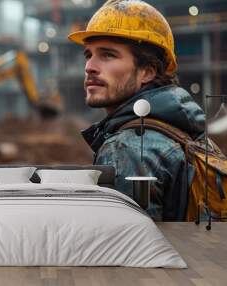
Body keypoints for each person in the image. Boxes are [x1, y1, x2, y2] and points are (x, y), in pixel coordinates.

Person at [68, 0, 205, 221]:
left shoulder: (126, 149)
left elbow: (126, 250)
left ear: (147, 72)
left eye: (107, 55)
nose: (89, 67)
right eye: (88, 55)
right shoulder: (184, 132)